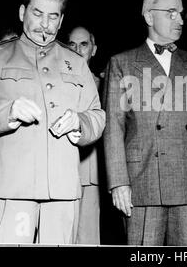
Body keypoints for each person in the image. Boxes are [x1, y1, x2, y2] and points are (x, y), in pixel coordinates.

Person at [103, 0, 187, 246]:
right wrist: (118, 183)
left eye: (181, 13)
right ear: (149, 17)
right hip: (142, 183)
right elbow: (114, 129)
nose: (180, 20)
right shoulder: (122, 63)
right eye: (171, 13)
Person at [0, 0, 105, 244]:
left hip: (63, 191)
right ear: (22, 13)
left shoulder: (76, 63)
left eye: (53, 17)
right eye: (37, 13)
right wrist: (7, 112)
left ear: (61, 20)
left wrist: (80, 122)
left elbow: (97, 115)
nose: (44, 24)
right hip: (11, 190)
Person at [68, 26, 101, 244]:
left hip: (91, 169)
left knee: (88, 237)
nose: (78, 50)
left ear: (94, 49)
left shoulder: (106, 83)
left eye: (84, 44)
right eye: (72, 44)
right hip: (62, 169)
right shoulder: (54, 81)